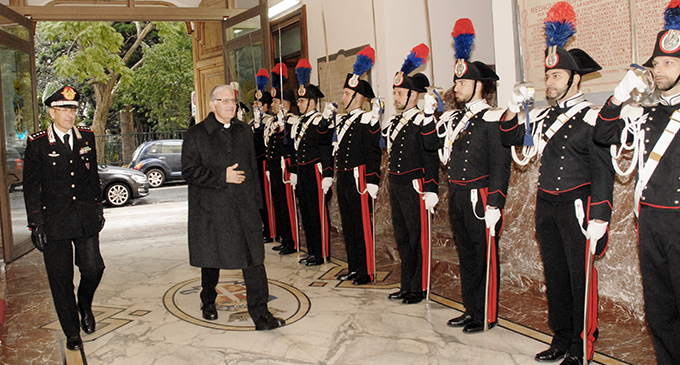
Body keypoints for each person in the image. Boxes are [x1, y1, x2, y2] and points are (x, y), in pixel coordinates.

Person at [500, 3, 614, 364]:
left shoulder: (592, 118)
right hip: (547, 204)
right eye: (546, 76)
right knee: (556, 275)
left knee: (579, 278)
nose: (548, 82)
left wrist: (600, 215)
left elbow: (603, 170)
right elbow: (508, 136)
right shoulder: (543, 116)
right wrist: (514, 106)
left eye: (555, 77)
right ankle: (561, 337)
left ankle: (583, 344)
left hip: (578, 206)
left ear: (574, 79)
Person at [593, 1, 680, 363]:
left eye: (668, 63)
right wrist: (617, 96)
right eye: (656, 63)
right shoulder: (646, 113)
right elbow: (603, 133)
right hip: (650, 221)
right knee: (659, 309)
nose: (658, 70)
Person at [421, 19, 511, 333]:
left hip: (480, 196)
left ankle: (486, 313)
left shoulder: (493, 117)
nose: (455, 87)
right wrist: (429, 115)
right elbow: (430, 144)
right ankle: (470, 308)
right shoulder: (454, 118)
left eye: (461, 83)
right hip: (457, 194)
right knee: (466, 255)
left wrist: (495, 204)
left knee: (484, 256)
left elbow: (501, 165)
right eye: (456, 82)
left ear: (479, 85)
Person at [181, 84, 284, 331]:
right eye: (224, 100)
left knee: (254, 261)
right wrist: (221, 176)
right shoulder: (196, 134)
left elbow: (252, 169)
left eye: (233, 101)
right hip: (212, 210)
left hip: (244, 207)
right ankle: (208, 301)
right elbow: (189, 171)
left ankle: (261, 315)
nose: (231, 105)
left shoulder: (243, 131)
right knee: (211, 259)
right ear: (212, 103)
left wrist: (258, 206)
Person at [23, 86, 105, 351]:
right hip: (54, 221)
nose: (70, 115)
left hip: (84, 218)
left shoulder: (86, 138)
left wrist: (98, 208)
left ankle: (85, 305)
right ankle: (72, 330)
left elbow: (92, 177)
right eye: (64, 109)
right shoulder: (37, 143)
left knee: (94, 268)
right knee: (61, 279)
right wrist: (36, 222)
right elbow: (31, 186)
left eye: (73, 109)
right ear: (51, 112)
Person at [384, 44, 439, 304]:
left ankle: (419, 287)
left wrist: (431, 188)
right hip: (397, 184)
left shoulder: (422, 121)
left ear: (413, 96)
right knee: (403, 238)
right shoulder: (394, 122)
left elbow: (431, 156)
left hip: (415, 185)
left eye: (400, 93)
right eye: (394, 92)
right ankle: (407, 284)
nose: (395, 97)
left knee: (418, 239)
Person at [332, 46, 383, 285]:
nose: (343, 97)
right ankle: (354, 267)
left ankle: (367, 270)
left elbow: (374, 151)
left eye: (346, 93)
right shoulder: (343, 121)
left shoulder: (367, 119)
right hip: (343, 177)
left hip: (359, 177)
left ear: (358, 96)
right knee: (348, 224)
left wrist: (373, 180)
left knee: (362, 225)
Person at [291, 59, 334, 266]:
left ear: (311, 102)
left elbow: (326, 145)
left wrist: (327, 174)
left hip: (316, 171)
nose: (298, 104)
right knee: (307, 212)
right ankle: (313, 250)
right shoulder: (300, 122)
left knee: (318, 213)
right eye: (298, 101)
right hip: (303, 171)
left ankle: (323, 252)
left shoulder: (319, 121)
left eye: (301, 101)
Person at [267, 63, 299, 255]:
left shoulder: (292, 121)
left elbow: (289, 146)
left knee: (288, 205)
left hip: (286, 167)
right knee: (279, 204)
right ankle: (285, 238)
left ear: (283, 104)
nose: (272, 105)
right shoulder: (275, 122)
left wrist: (283, 123)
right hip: (276, 167)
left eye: (275, 102)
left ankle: (293, 241)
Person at [251, 69, 275, 244]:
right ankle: (263, 227)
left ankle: (271, 229)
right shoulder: (252, 122)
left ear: (265, 107)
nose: (254, 106)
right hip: (254, 165)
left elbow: (263, 141)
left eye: (258, 103)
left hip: (264, 162)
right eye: (254, 103)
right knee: (258, 198)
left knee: (267, 199)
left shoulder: (268, 121)